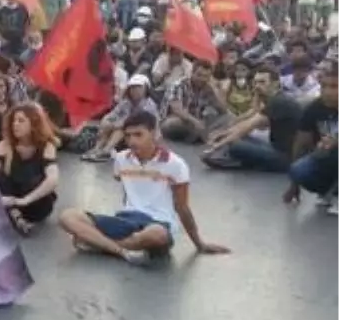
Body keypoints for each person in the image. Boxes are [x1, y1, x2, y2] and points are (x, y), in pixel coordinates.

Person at [58, 112, 229, 265]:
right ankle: (122, 251)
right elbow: (126, 190)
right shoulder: (121, 159)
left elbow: (182, 207)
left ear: (154, 134)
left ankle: (100, 244)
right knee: (68, 216)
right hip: (126, 219)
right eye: (128, 136)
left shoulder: (176, 165)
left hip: (157, 223)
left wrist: (199, 243)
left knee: (157, 235)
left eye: (138, 135)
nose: (132, 141)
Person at [202, 67, 302, 173]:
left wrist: (215, 147)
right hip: (280, 149)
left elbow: (247, 126)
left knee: (235, 145)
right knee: (242, 138)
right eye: (255, 82)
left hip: (286, 158)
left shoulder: (278, 102)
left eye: (262, 82)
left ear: (275, 84)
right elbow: (249, 120)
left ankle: (238, 161)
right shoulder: (277, 98)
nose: (257, 86)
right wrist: (223, 134)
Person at [0, 103, 60, 234]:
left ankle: (15, 215)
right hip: (9, 199)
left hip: (35, 202)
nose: (15, 124)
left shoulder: (47, 146)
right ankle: (16, 216)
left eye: (21, 121)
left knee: (36, 179)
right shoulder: (5, 145)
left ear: (33, 124)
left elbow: (53, 179)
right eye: (13, 121)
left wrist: (23, 201)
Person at [283, 63, 339, 213]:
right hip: (325, 157)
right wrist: (294, 185)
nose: (327, 92)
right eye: (324, 86)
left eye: (334, 87)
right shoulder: (314, 108)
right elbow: (301, 144)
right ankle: (329, 193)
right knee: (299, 170)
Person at [81, 75, 160, 162]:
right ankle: (97, 148)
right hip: (128, 136)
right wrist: (106, 120)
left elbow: (135, 124)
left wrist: (114, 125)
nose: (135, 90)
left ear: (146, 89)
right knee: (110, 124)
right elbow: (113, 114)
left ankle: (106, 151)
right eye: (132, 88)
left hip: (143, 136)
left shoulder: (148, 105)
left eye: (138, 87)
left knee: (121, 129)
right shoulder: (126, 102)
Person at [161, 61, 230, 143]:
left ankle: (198, 135)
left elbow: (223, 110)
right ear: (192, 73)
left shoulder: (208, 88)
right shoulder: (179, 85)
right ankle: (201, 135)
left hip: (198, 121)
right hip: (178, 120)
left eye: (206, 76)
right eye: (199, 75)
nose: (202, 79)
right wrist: (195, 121)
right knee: (173, 123)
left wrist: (216, 89)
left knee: (228, 117)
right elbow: (177, 110)